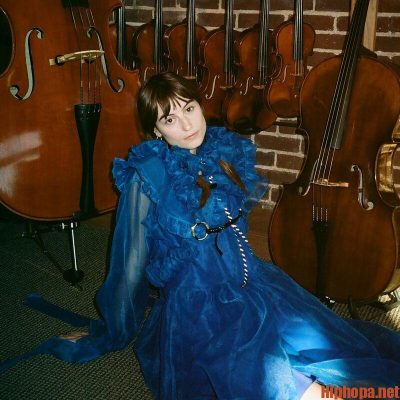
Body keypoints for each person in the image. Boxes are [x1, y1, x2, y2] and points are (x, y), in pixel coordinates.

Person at [2, 72, 400, 399]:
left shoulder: (223, 152)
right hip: (200, 306)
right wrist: (115, 326)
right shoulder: (148, 178)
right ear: (156, 131)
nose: (187, 124)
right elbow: (129, 262)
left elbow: (234, 231)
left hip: (254, 281)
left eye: (189, 108)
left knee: (334, 346)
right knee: (268, 377)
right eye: (169, 119)